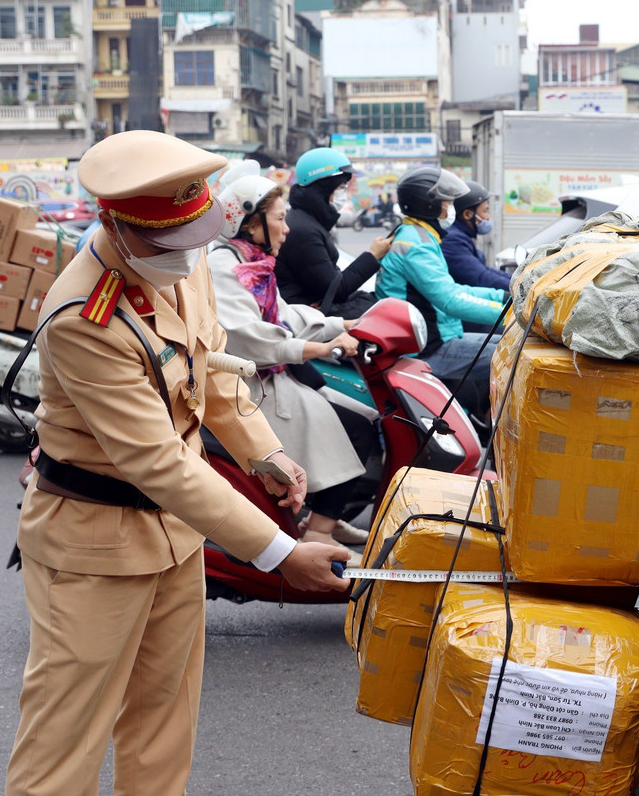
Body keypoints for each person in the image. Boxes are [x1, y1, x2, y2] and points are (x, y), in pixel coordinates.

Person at [4, 130, 349, 796]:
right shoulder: (83, 317)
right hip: (92, 546)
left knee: (163, 731)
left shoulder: (179, 260)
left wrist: (265, 452)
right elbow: (157, 460)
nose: (191, 254)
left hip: (175, 537)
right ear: (117, 225)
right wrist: (280, 552)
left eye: (195, 237)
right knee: (64, 744)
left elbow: (210, 370)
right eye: (172, 243)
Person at [210, 169, 379, 547]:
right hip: (253, 390)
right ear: (251, 222)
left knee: (367, 418)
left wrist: (342, 323)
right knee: (357, 427)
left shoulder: (254, 262)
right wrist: (319, 348)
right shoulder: (225, 268)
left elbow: (287, 315)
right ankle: (318, 531)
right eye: (279, 219)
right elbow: (251, 338)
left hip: (279, 379)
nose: (286, 230)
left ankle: (326, 520)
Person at [376, 167, 506, 424]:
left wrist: (502, 298)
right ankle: (498, 427)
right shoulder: (416, 245)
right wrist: (508, 314)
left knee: (511, 343)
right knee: (515, 356)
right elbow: (450, 300)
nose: (451, 209)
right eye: (447, 203)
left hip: (438, 337)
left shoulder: (421, 236)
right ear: (429, 206)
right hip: (424, 348)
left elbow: (453, 289)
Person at [274, 146, 391, 318]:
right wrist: (372, 256)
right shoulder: (303, 230)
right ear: (323, 188)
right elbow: (336, 289)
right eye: (341, 187)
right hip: (301, 316)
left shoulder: (308, 221)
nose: (344, 193)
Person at [442, 179, 512, 293]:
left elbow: (484, 270)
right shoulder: (452, 240)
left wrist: (519, 279)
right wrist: (521, 287)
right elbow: (481, 278)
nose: (488, 217)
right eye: (485, 211)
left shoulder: (459, 235)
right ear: (467, 214)